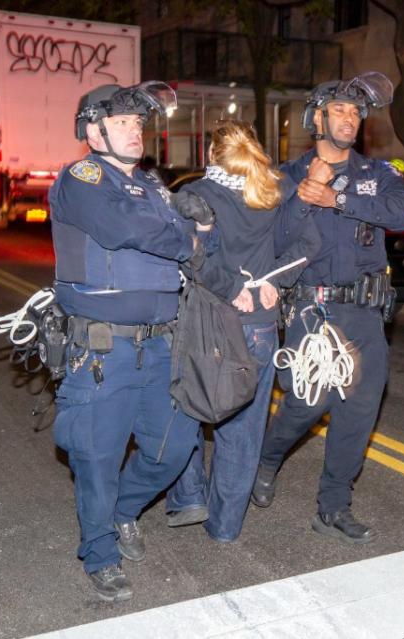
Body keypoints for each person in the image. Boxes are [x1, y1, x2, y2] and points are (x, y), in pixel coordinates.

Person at [49, 81, 209, 603]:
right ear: (93, 131)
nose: (135, 131)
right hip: (102, 348)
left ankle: (122, 512)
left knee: (175, 447)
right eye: (122, 123)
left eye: (139, 124)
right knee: (98, 455)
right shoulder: (83, 178)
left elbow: (183, 224)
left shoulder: (155, 186)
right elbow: (123, 228)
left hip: (161, 344)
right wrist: (187, 239)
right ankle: (99, 552)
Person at [250, 72, 404, 544]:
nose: (350, 119)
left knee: (360, 410)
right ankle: (268, 456)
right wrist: (305, 199)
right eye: (340, 110)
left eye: (355, 113)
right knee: (307, 402)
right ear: (317, 118)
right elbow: (275, 241)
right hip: (310, 310)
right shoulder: (285, 176)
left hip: (364, 312)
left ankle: (334, 505)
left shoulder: (378, 174)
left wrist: (336, 198)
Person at [164, 120, 320, 542]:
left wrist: (235, 288)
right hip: (259, 328)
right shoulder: (277, 189)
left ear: (210, 155)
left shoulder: (195, 196)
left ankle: (190, 493)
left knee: (186, 408)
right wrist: (273, 281)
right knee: (244, 431)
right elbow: (309, 244)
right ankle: (225, 528)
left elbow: (187, 258)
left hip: (207, 324)